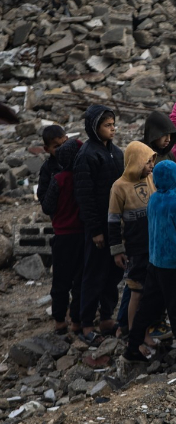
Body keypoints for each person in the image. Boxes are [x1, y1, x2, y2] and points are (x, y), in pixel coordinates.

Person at [122, 160, 176, 372]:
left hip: (155, 263)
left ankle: (132, 349)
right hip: (174, 267)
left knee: (146, 309)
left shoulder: (154, 199)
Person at [74, 105, 124, 345]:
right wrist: (94, 230)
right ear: (95, 128)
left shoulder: (115, 152)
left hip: (114, 223)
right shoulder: (87, 155)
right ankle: (85, 324)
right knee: (93, 273)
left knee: (113, 272)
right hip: (98, 226)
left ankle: (106, 317)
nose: (112, 129)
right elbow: (85, 197)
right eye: (107, 125)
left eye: (113, 125)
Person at [107, 141, 157, 347]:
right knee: (136, 291)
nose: (151, 166)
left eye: (153, 161)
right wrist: (117, 251)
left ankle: (144, 329)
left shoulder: (150, 179)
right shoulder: (119, 187)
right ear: (135, 162)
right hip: (135, 248)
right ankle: (136, 335)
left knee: (150, 291)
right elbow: (112, 221)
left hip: (152, 244)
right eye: (147, 162)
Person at [41, 139, 84, 335]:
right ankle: (77, 320)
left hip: (62, 236)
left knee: (60, 281)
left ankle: (59, 321)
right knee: (80, 280)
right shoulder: (84, 179)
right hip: (82, 236)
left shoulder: (58, 179)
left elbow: (47, 206)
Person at [38, 125, 68, 204]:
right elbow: (42, 195)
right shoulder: (47, 169)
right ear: (47, 149)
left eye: (64, 143)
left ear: (67, 139)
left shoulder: (77, 159)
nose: (62, 149)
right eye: (56, 146)